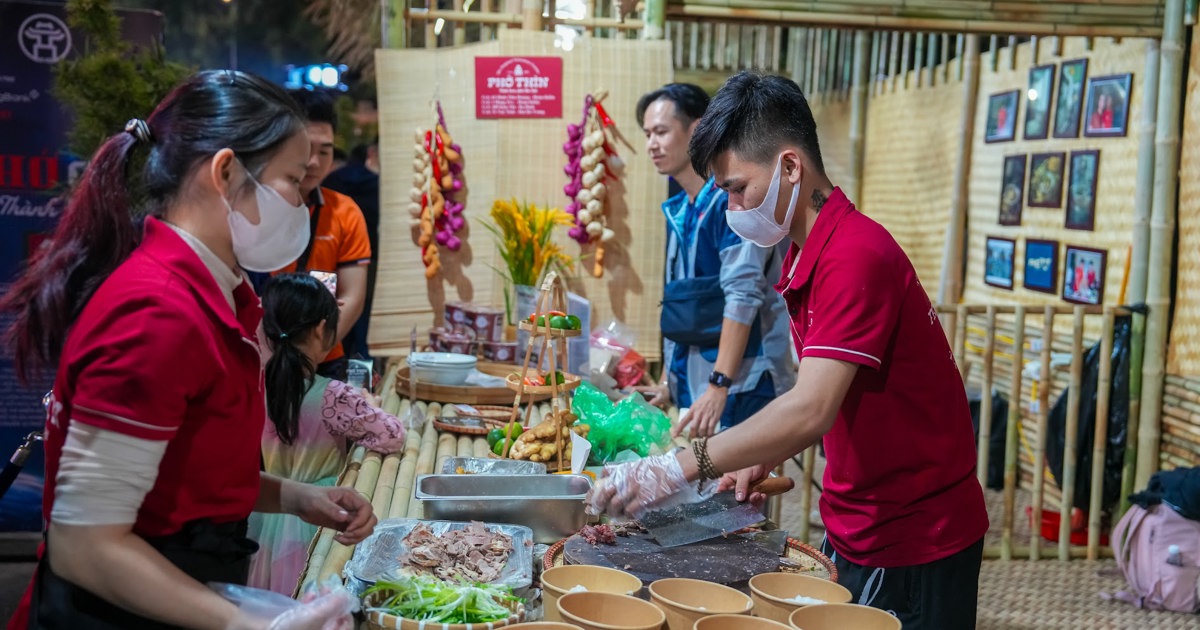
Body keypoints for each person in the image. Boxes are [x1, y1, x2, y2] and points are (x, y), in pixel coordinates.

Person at [588, 72, 988, 630]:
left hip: (912, 533)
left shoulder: (855, 255)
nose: (731, 207)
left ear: (791, 167)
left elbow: (811, 407)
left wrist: (679, 466)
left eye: (736, 188)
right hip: (863, 520)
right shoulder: (809, 254)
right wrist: (763, 452)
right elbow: (830, 394)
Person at [0, 70, 373, 630]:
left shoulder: (224, 297)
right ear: (226, 172)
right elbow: (85, 546)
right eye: (294, 182)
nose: (303, 203)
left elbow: (188, 477)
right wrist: (256, 625)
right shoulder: (155, 312)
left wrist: (298, 498)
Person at [631, 83, 795, 438]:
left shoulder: (732, 200)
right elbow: (685, 304)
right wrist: (668, 382)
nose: (651, 145)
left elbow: (743, 294)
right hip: (697, 382)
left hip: (742, 383)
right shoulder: (681, 208)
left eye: (661, 131)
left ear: (697, 129)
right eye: (647, 134)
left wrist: (719, 384)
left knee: (737, 490)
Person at [249, 273, 405, 595]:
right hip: (318, 516)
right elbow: (392, 434)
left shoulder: (253, 387)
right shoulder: (333, 395)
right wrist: (367, 403)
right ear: (322, 329)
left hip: (268, 515)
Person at [275, 89, 372, 382]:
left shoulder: (345, 212)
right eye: (306, 149)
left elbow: (352, 297)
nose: (315, 162)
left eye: (325, 151)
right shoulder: (254, 208)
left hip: (326, 361)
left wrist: (313, 352)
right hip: (260, 359)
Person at [322, 138, 380, 363]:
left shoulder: (333, 182)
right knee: (360, 321)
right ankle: (361, 370)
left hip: (326, 265)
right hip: (365, 260)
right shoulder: (374, 185)